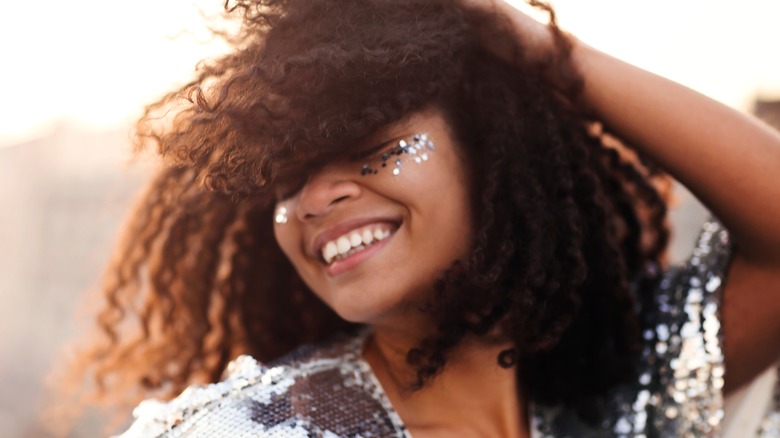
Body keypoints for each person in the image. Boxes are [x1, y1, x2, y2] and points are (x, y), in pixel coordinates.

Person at [60, 0, 780, 436]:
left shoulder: (615, 398)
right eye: (286, 179)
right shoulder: (247, 431)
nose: (314, 199)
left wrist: (539, 49)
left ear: (491, 149)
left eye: (370, 148)